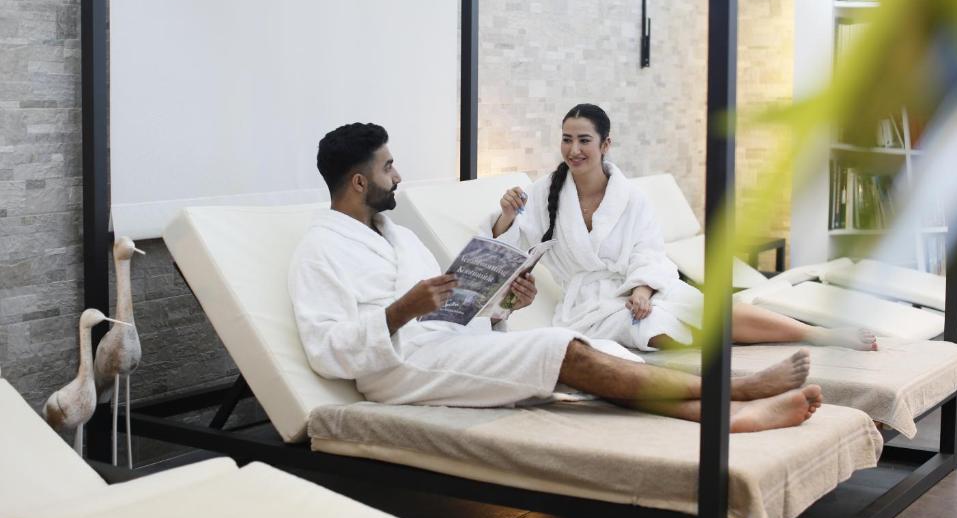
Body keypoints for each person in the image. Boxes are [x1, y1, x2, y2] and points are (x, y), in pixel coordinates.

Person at [289, 122, 822, 433]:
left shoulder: (399, 236)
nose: (398, 175)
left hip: (447, 344)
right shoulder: (320, 251)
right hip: (400, 368)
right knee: (561, 348)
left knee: (596, 353)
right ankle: (737, 391)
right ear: (359, 181)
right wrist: (402, 310)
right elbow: (326, 349)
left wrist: (502, 308)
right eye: (387, 168)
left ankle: (731, 419)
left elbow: (451, 309)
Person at [491, 103, 878, 353]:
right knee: (652, 325)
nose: (573, 150)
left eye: (584, 140)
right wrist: (507, 214)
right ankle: (722, 357)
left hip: (638, 288)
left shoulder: (631, 197)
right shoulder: (544, 192)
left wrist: (642, 288)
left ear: (606, 144)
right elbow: (514, 244)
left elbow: (649, 251)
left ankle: (818, 335)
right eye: (566, 140)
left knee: (709, 310)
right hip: (589, 307)